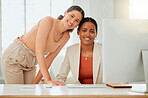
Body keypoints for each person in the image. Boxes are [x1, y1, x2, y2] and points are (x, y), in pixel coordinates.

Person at [1, 5, 85, 85]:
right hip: (16, 56)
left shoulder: (66, 37)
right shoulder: (48, 21)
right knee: (17, 94)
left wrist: (35, 83)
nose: (72, 21)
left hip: (31, 63)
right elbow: (39, 51)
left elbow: (49, 59)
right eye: (72, 16)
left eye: (77, 20)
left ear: (77, 25)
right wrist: (47, 79)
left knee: (29, 93)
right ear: (65, 12)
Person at [56, 17, 103, 84]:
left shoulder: (103, 51)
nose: (87, 34)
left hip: (100, 92)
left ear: (96, 34)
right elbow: (61, 77)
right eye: (84, 30)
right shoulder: (71, 50)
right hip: (78, 92)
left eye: (92, 31)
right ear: (78, 32)